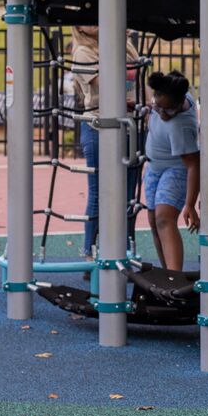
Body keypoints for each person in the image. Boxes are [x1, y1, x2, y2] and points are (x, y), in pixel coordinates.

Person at [70, 26, 141, 260]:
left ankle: (124, 249)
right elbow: (107, 84)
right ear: (79, 27)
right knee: (99, 192)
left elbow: (139, 82)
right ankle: (90, 251)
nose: (95, 23)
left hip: (129, 123)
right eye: (88, 21)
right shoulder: (83, 52)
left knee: (128, 194)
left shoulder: (125, 46)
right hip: (99, 124)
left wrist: (146, 106)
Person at [141, 71, 201, 272]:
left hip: (176, 168)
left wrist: (190, 204)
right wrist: (153, 107)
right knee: (153, 221)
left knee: (164, 218)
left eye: (169, 109)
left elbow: (194, 165)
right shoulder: (172, 93)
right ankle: (167, 273)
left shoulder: (181, 127)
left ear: (180, 102)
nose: (163, 113)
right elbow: (173, 82)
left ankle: (174, 277)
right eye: (158, 106)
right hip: (154, 166)